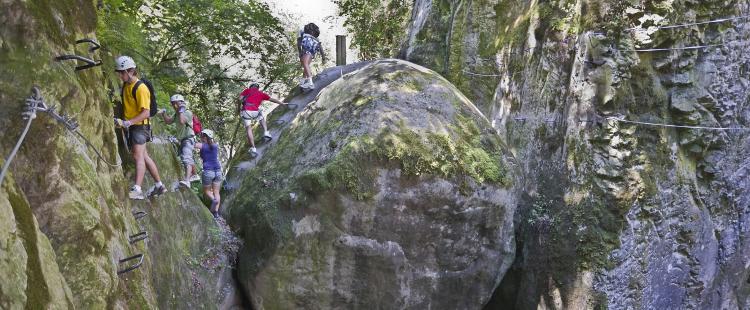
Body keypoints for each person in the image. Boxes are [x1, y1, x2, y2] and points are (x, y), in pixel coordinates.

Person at [113, 55, 167, 200]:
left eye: (122, 72)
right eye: (119, 72)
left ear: (130, 71)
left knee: (138, 156)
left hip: (140, 127)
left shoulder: (141, 88)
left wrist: (127, 123)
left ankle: (137, 189)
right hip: (133, 126)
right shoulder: (126, 85)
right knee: (144, 156)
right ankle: (159, 185)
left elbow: (146, 113)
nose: (120, 75)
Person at [238, 83, 288, 156]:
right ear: (257, 88)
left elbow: (239, 100)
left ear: (251, 87)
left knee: (248, 128)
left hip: (245, 111)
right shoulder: (261, 93)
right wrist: (282, 103)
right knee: (261, 117)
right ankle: (265, 132)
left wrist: (238, 109)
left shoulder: (247, 90)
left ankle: (253, 148)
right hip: (255, 111)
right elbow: (272, 100)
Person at [158, 94, 196, 188]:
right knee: (186, 157)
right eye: (173, 104)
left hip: (188, 138)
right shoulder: (177, 114)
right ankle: (194, 175)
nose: (174, 106)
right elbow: (168, 121)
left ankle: (187, 181)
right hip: (182, 139)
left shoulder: (187, 113)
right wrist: (163, 114)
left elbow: (182, 121)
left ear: (181, 103)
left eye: (175, 104)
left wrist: (181, 110)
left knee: (186, 158)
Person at [194, 129, 222, 218]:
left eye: (201, 135)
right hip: (218, 171)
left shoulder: (202, 146)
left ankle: (213, 200)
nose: (200, 136)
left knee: (207, 191)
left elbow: (192, 144)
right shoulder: (215, 146)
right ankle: (216, 213)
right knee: (217, 192)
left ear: (204, 137)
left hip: (208, 171)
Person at [297, 23, 327, 89]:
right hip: (313, 49)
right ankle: (303, 81)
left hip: (307, 47)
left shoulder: (302, 32)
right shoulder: (315, 38)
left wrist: (300, 53)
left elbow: (299, 43)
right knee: (306, 64)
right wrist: (323, 57)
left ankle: (310, 83)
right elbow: (319, 46)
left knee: (305, 63)